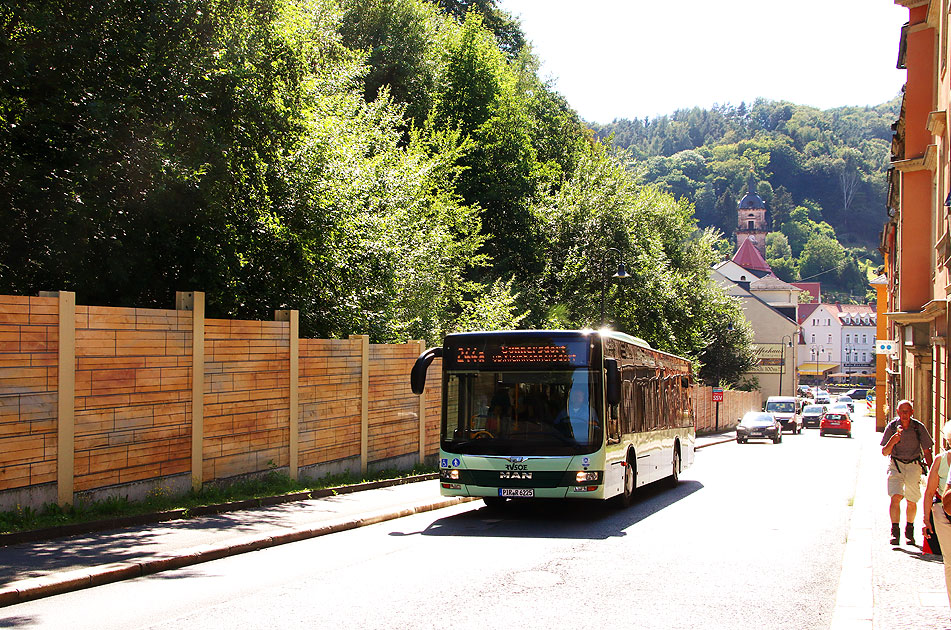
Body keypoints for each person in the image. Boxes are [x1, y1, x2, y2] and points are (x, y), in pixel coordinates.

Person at [881, 399, 934, 545]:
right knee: (895, 497)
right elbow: (884, 452)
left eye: (907, 411)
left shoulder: (918, 427)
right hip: (896, 464)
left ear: (912, 413)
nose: (904, 414)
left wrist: (932, 473)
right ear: (897, 412)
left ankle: (909, 531)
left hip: (913, 465)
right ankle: (895, 532)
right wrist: (892, 441)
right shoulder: (892, 427)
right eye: (902, 411)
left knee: (912, 500)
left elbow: (927, 451)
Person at [923, 423, 951, 607]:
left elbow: (928, 492)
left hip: (943, 511)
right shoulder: (940, 460)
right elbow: (929, 491)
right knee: (949, 561)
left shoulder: (941, 460)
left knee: (950, 562)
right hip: (943, 512)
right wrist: (926, 520)